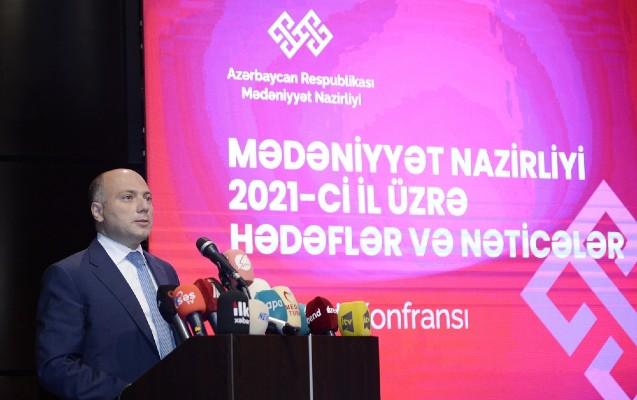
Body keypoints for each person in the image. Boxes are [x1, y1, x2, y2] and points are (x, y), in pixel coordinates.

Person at [36, 168, 180, 399]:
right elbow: (56, 366)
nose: (144, 207)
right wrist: (127, 394)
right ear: (98, 211)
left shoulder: (166, 271)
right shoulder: (69, 275)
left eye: (148, 198)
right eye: (128, 197)